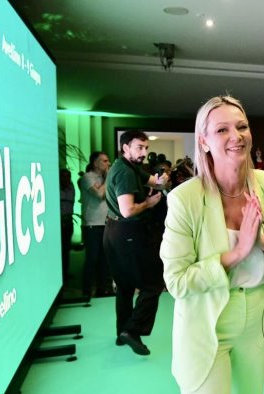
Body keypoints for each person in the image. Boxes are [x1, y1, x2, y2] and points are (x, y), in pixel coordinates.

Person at [160, 96, 264, 393]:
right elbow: (177, 281)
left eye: (242, 127)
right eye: (222, 130)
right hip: (208, 322)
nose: (236, 136)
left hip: (257, 315)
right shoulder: (184, 199)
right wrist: (238, 253)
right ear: (204, 141)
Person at [103, 130, 170, 356]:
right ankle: (132, 330)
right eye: (139, 148)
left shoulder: (129, 167)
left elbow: (155, 182)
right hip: (128, 232)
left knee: (124, 286)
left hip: (114, 231)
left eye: (145, 148)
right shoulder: (125, 173)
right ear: (125, 148)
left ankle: (122, 332)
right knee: (153, 284)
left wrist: (162, 180)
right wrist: (149, 203)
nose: (144, 152)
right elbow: (128, 209)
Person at [78, 151, 112, 297]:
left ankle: (103, 289)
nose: (108, 164)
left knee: (105, 259)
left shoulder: (104, 178)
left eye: (108, 161)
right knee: (92, 258)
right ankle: (86, 290)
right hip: (92, 224)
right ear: (95, 163)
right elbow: (99, 195)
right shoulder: (87, 178)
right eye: (104, 161)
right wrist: (108, 178)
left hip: (106, 223)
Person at [59, 168, 76, 282]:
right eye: (64, 176)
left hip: (68, 221)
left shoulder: (71, 187)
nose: (66, 179)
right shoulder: (55, 188)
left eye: (68, 176)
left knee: (66, 249)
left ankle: (65, 272)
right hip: (59, 222)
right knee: (60, 249)